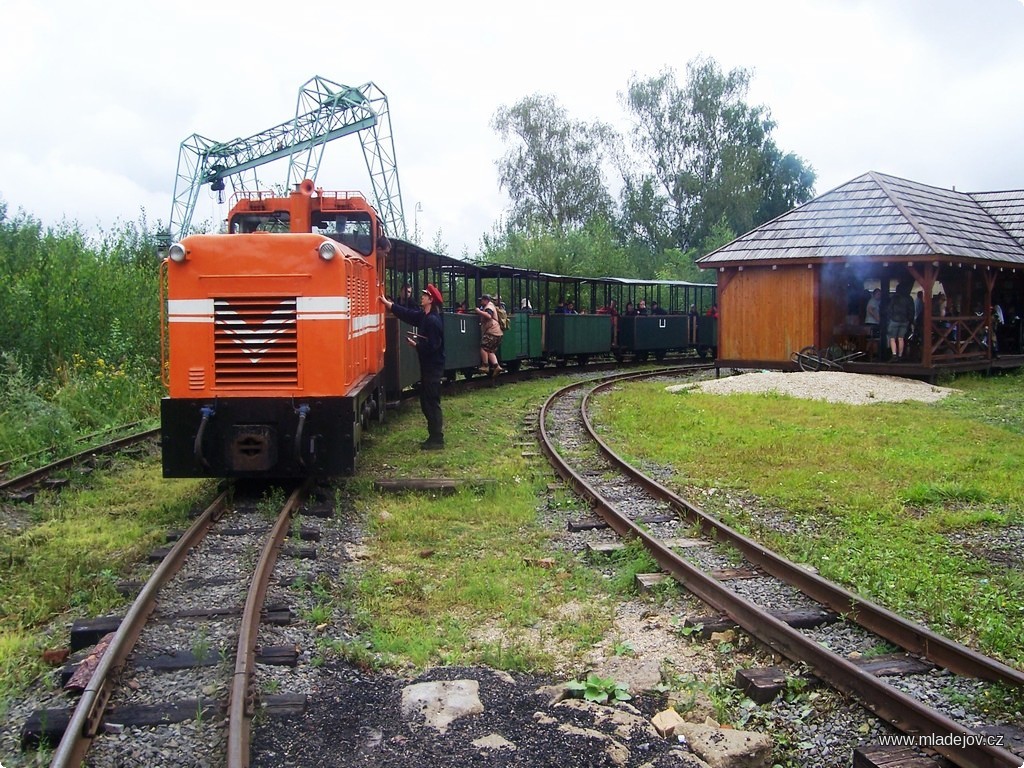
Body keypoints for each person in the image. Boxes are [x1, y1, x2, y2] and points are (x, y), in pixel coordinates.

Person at [380, 284, 446, 450]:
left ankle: (437, 439)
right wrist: (389, 305)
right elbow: (408, 314)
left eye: (425, 295)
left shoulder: (432, 320)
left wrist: (416, 345)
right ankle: (434, 436)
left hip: (433, 368)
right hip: (429, 367)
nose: (421, 297)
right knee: (426, 402)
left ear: (431, 300)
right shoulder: (425, 316)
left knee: (431, 402)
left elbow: (433, 346)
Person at [474, 294, 504, 375]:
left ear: (486, 300)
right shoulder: (491, 305)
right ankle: (496, 366)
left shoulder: (489, 306)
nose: (481, 302)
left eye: (482, 300)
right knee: (490, 351)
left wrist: (479, 312)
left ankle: (485, 366)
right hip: (498, 333)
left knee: (483, 348)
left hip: (492, 332)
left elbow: (489, 316)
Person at [888, 284, 915, 362]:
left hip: (894, 320)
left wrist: (890, 317)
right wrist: (910, 320)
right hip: (904, 321)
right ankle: (900, 355)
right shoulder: (909, 298)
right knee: (901, 338)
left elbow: (889, 309)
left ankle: (894, 355)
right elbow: (912, 311)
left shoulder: (894, 298)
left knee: (892, 338)